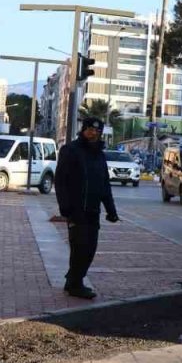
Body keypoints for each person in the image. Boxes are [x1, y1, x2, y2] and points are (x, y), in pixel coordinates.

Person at [54, 117, 118, 299]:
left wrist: (111, 210)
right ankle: (75, 284)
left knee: (90, 248)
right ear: (83, 130)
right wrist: (64, 207)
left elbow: (105, 185)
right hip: (76, 210)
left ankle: (73, 280)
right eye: (90, 129)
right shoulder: (71, 150)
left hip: (93, 210)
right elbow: (60, 181)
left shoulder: (99, 155)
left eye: (97, 131)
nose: (93, 133)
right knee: (79, 247)